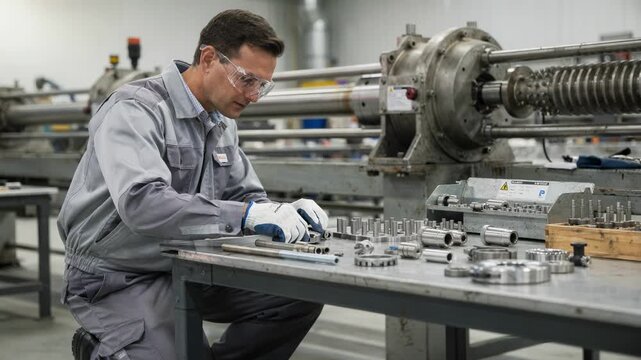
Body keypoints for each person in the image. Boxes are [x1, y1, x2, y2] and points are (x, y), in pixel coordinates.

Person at [58, 9, 327, 360]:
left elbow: (244, 196)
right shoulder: (137, 110)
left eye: (262, 85)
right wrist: (245, 214)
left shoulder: (221, 121)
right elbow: (142, 203)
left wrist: (281, 211)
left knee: (297, 295)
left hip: (187, 261)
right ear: (209, 58)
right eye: (247, 80)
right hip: (116, 274)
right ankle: (100, 350)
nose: (254, 95)